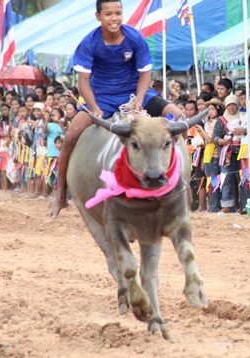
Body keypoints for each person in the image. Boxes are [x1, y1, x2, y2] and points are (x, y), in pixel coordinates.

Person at [49, 0, 182, 217]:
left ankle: (178, 183)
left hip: (134, 94)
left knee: (177, 116)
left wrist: (139, 100)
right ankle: (60, 193)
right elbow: (84, 82)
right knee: (70, 137)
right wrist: (94, 108)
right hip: (102, 98)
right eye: (108, 14)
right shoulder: (89, 43)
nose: (114, 18)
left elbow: (145, 74)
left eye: (118, 13)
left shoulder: (134, 38)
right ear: (98, 16)